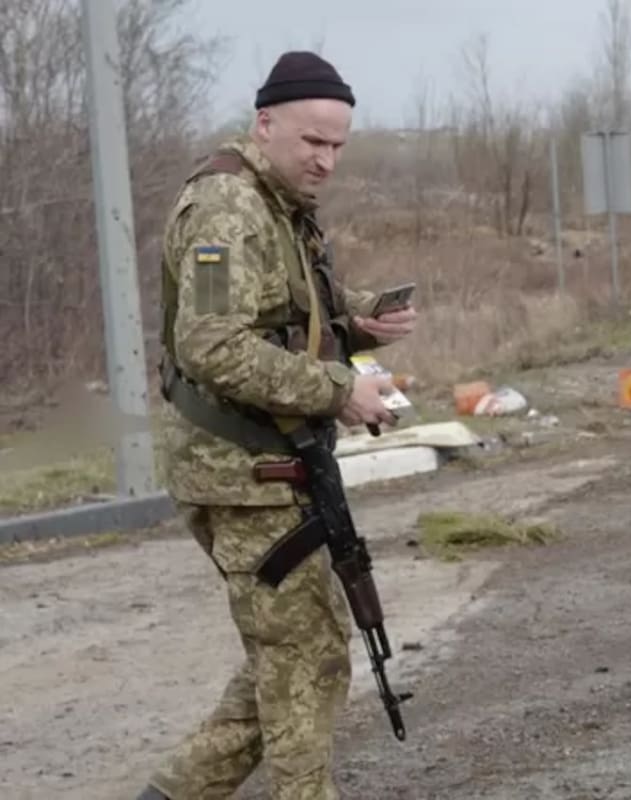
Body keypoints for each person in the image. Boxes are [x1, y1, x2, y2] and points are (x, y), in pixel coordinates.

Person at [137, 51, 415, 800]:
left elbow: (284, 314)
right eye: (311, 141)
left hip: (272, 467)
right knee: (304, 662)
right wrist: (337, 390)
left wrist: (357, 324)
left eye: (337, 146)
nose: (325, 160)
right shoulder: (226, 208)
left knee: (294, 657)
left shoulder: (281, 205)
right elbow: (212, 343)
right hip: (241, 473)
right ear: (266, 124)